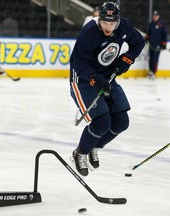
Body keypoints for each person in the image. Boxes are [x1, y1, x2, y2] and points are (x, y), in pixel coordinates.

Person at [69, 1, 144, 176]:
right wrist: (95, 79)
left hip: (108, 77)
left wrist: (127, 59)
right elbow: (78, 63)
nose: (108, 27)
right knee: (102, 122)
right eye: (105, 23)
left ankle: (95, 146)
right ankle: (80, 152)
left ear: (117, 21)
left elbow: (138, 42)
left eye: (112, 23)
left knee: (121, 122)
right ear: (99, 19)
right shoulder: (89, 33)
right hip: (83, 80)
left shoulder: (123, 26)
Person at [145, 10, 167, 80]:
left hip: (158, 45)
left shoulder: (161, 24)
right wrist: (147, 38)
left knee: (155, 59)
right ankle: (151, 71)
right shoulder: (151, 24)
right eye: (154, 16)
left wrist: (164, 44)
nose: (155, 17)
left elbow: (164, 35)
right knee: (151, 59)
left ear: (158, 16)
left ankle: (154, 72)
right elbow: (149, 33)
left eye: (156, 16)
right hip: (151, 45)